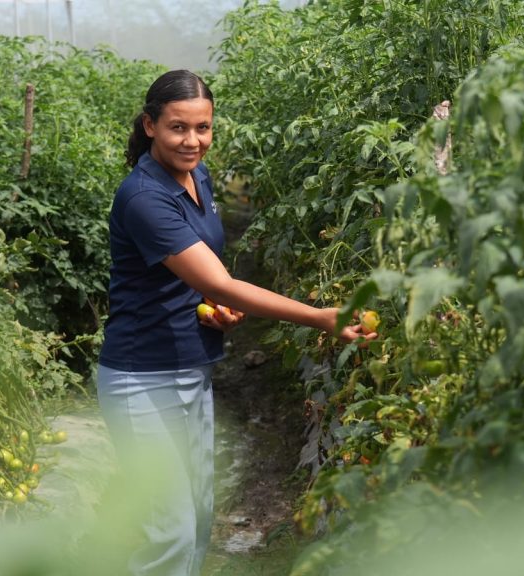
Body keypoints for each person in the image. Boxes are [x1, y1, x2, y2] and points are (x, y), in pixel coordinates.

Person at [96, 69, 373, 576]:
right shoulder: (142, 198)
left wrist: (209, 308)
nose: (193, 141)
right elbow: (221, 280)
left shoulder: (197, 176)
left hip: (191, 366)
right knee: (171, 528)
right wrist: (319, 317)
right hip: (142, 379)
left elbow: (197, 276)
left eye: (203, 128)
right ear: (150, 125)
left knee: (198, 516)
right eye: (179, 127)